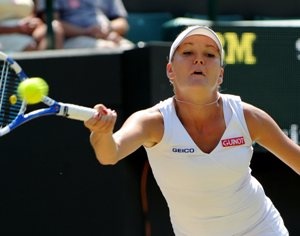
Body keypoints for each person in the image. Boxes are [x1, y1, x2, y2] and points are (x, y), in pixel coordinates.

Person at [84, 25, 299, 235]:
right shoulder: (151, 122)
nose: (199, 59)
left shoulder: (249, 118)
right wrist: (101, 133)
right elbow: (109, 154)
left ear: (221, 74)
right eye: (187, 52)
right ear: (170, 70)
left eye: (209, 54)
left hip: (261, 229)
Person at [36, 0, 134, 50]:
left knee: (136, 54)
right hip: (72, 39)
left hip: (107, 36)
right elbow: (52, 22)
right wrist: (87, 32)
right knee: (108, 49)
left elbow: (122, 23)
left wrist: (107, 29)